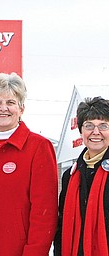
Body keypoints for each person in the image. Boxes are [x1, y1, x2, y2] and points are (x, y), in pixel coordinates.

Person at [0, 72, 58, 256]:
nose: (3, 108)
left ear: (21, 109)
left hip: (13, 250)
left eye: (10, 103)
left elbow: (44, 213)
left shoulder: (38, 147)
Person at [54, 96, 109, 256]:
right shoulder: (70, 176)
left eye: (103, 126)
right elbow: (61, 225)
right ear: (81, 131)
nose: (96, 132)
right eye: (89, 126)